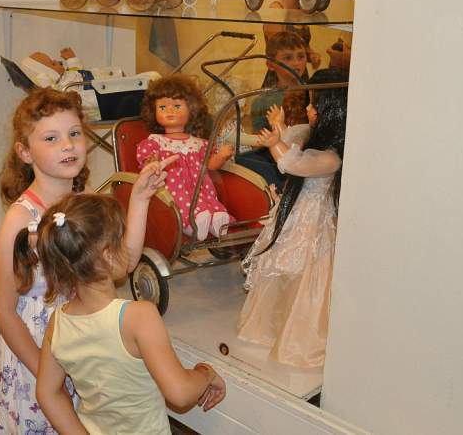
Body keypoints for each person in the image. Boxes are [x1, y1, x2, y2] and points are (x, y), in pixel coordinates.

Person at [0, 87, 176, 434]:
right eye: (51, 138)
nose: (68, 145)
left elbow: (121, 265)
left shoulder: (86, 202)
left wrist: (140, 199)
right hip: (36, 361)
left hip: (82, 353)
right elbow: (3, 310)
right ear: (25, 152)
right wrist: (46, 373)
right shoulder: (19, 218)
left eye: (75, 133)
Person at [33, 193, 227, 434]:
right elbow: (180, 394)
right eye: (121, 239)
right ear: (108, 255)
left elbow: (47, 392)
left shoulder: (59, 321)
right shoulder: (139, 317)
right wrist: (205, 373)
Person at [237, 68, 349, 369]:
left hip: (314, 222)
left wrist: (276, 143)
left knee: (308, 275)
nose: (309, 109)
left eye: (315, 104)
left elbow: (295, 163)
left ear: (332, 110)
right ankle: (271, 326)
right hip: (296, 214)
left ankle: (299, 338)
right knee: (283, 270)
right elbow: (294, 139)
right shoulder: (313, 137)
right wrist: (280, 128)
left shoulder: (332, 157)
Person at [137, 74, 235, 241]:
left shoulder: (199, 143)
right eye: (162, 107)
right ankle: (189, 224)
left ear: (192, 109)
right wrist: (151, 163)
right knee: (180, 200)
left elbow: (210, 165)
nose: (169, 111)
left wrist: (221, 156)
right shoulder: (155, 142)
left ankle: (215, 219)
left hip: (201, 189)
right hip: (171, 188)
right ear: (153, 111)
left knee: (209, 200)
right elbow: (146, 163)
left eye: (177, 106)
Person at [237, 31, 309, 190]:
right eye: (288, 58)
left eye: (301, 56)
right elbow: (259, 143)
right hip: (279, 161)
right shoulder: (262, 101)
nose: (296, 63)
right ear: (270, 64)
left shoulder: (313, 93)